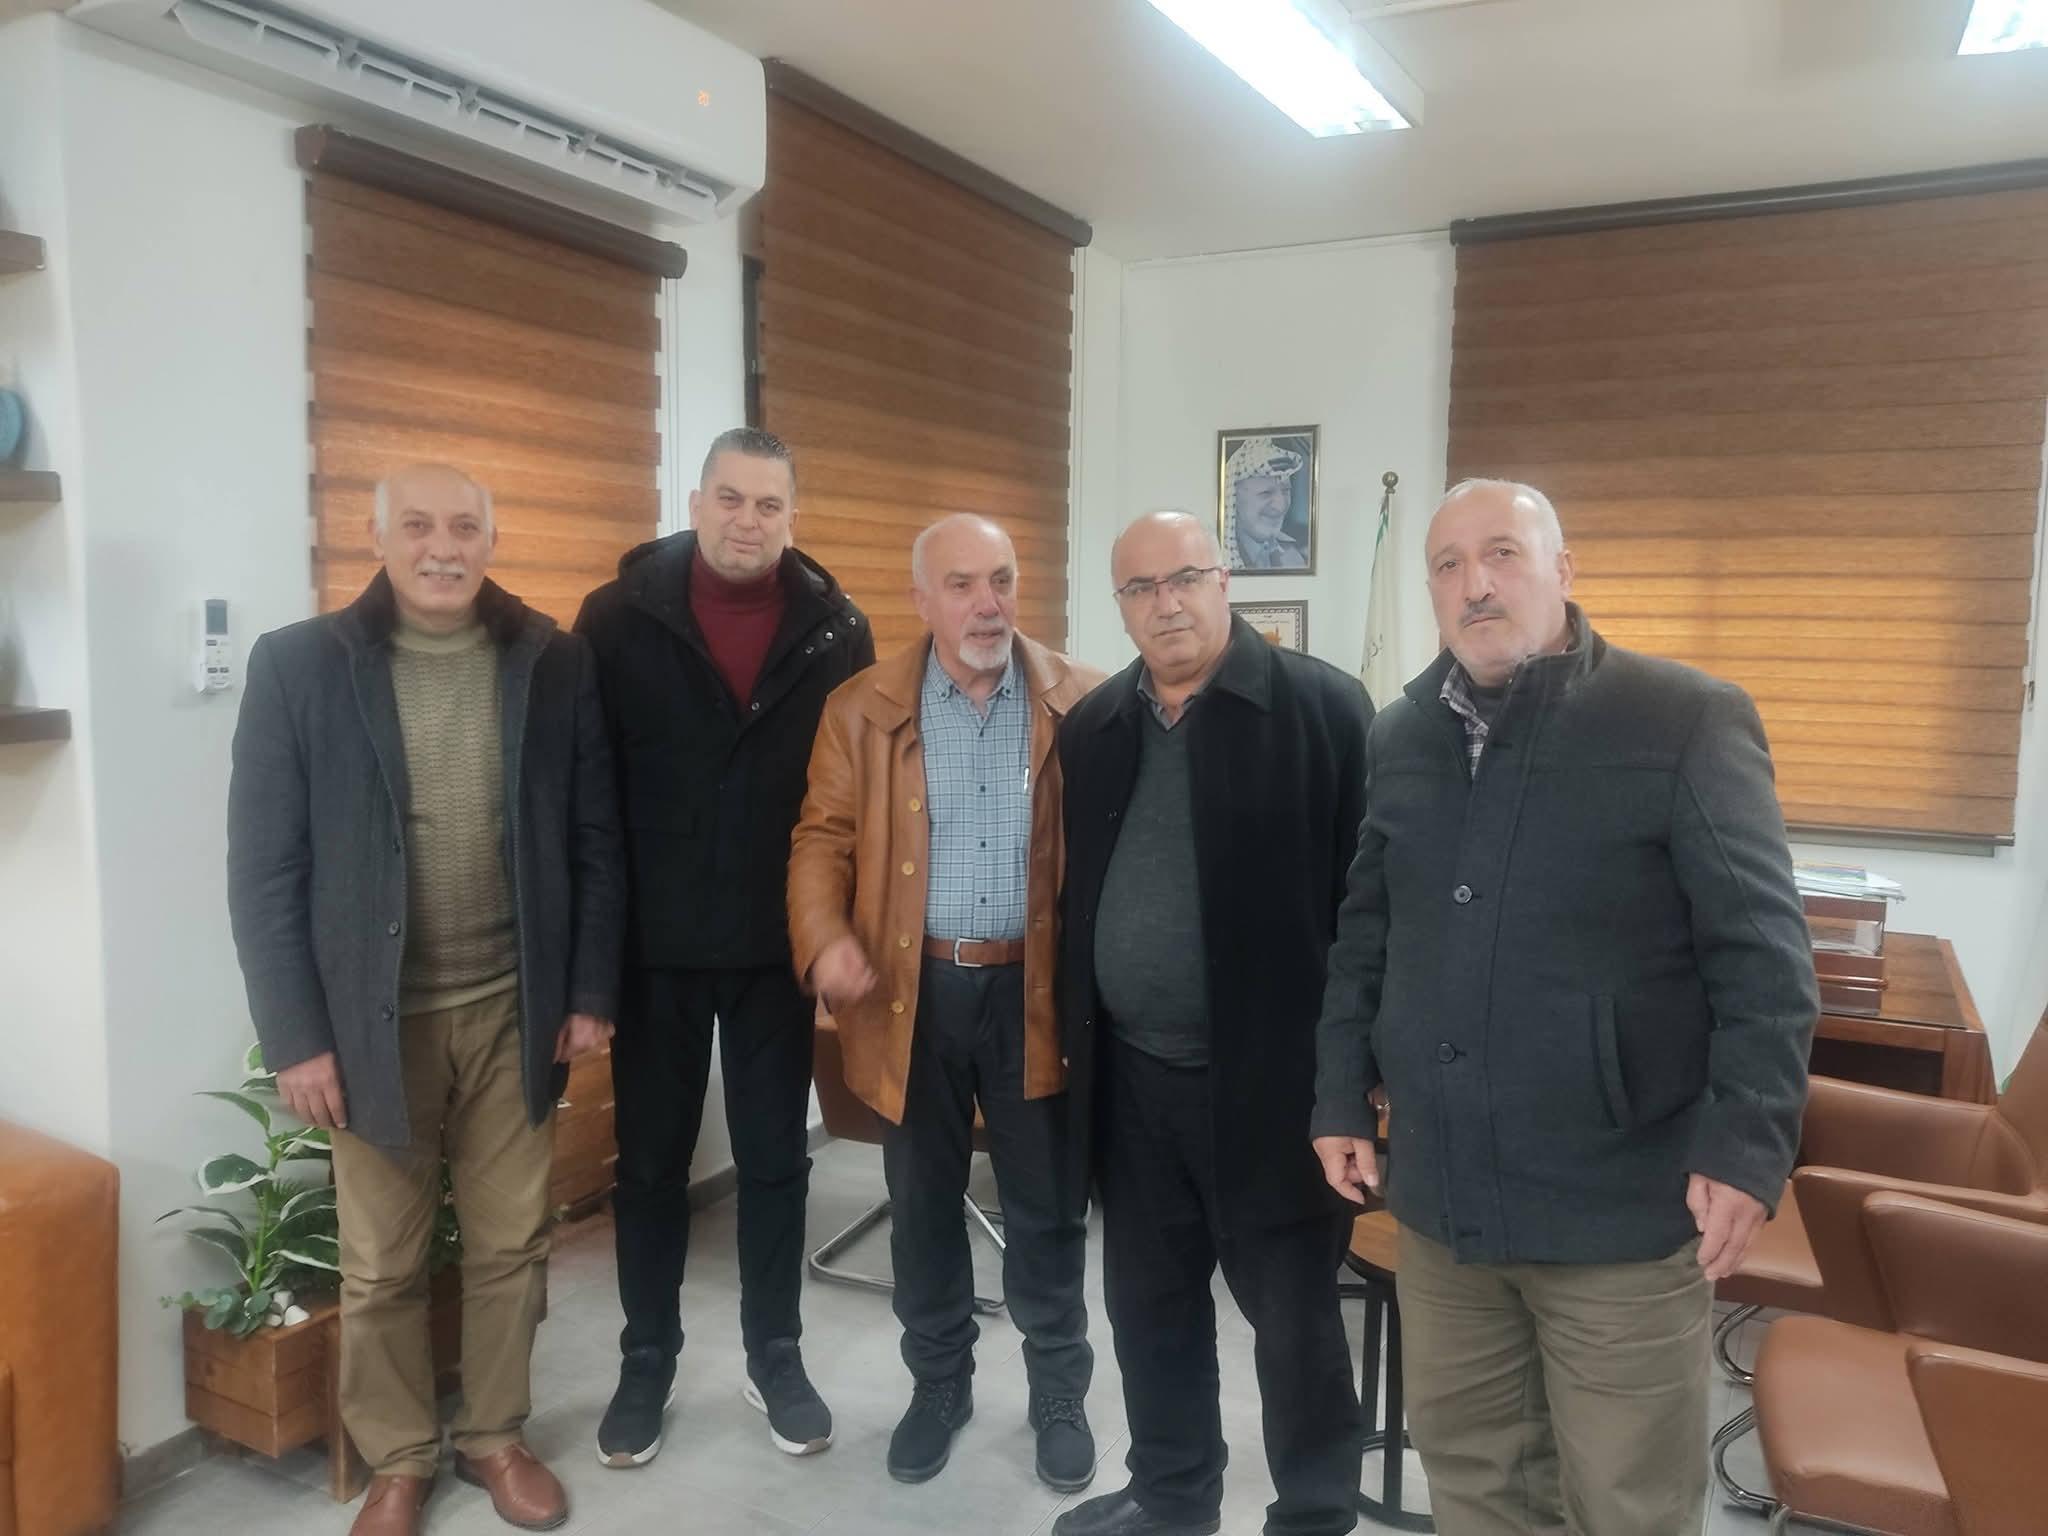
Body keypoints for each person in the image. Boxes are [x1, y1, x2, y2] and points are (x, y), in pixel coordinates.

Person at [1311, 478, 1818, 1535]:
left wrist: (1745, 1146)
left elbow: (1762, 956)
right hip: (1445, 1207)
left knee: (1625, 1503)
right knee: (1475, 1484)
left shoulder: (1682, 719)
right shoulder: (1401, 734)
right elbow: (1366, 932)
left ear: (1563, 570)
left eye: (1501, 553)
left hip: (1618, 1214)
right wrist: (1338, 1094)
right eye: (1447, 565)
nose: (1474, 584)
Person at [227, 463, 624, 1536]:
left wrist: (590, 988)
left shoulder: (553, 660)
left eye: (462, 526)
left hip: (515, 1008)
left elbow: (595, 838)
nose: (442, 547)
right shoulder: (299, 666)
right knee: (381, 1263)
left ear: (491, 539)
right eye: (417, 525)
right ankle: (399, 1459)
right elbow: (263, 869)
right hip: (371, 1025)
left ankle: (494, 1435)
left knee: (512, 1244)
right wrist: (297, 1037)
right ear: (377, 537)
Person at [1054, 511, 1372, 1536]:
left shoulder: (1323, 710)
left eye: (1184, 577)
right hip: (1132, 1084)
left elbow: (1372, 916)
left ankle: (1314, 1514)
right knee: (1150, 1313)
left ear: (1223, 580)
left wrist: (1358, 1081)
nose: (1166, 604)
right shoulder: (1093, 728)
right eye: (1140, 588)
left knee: (1293, 1329)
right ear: (1120, 605)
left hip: (1277, 1091)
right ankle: (1172, 1496)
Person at [574, 428, 873, 1466]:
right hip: (652, 947)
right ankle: (645, 1361)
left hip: (771, 943)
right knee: (650, 1168)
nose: (749, 521)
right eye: (731, 499)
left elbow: (855, 803)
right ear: (697, 501)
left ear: (793, 515)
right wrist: (589, 962)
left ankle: (774, 1354)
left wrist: (835, 934)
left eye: (769, 505)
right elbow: (588, 794)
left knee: (777, 1161)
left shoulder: (836, 629)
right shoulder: (615, 618)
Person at [787, 513, 1103, 1491]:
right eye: (961, 584)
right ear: (920, 600)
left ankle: (1058, 1394)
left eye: (1000, 579)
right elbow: (820, 838)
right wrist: (824, 938)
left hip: (1035, 992)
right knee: (922, 1207)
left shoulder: (1082, 700)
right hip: (907, 992)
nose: (986, 603)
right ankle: (938, 1386)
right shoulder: (860, 708)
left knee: (1046, 1209)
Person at [1223, 437, 1309, 571]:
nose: (1280, 507)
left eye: (1286, 490)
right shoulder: (1217, 560)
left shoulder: (1294, 557)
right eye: (1266, 493)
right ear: (1233, 498)